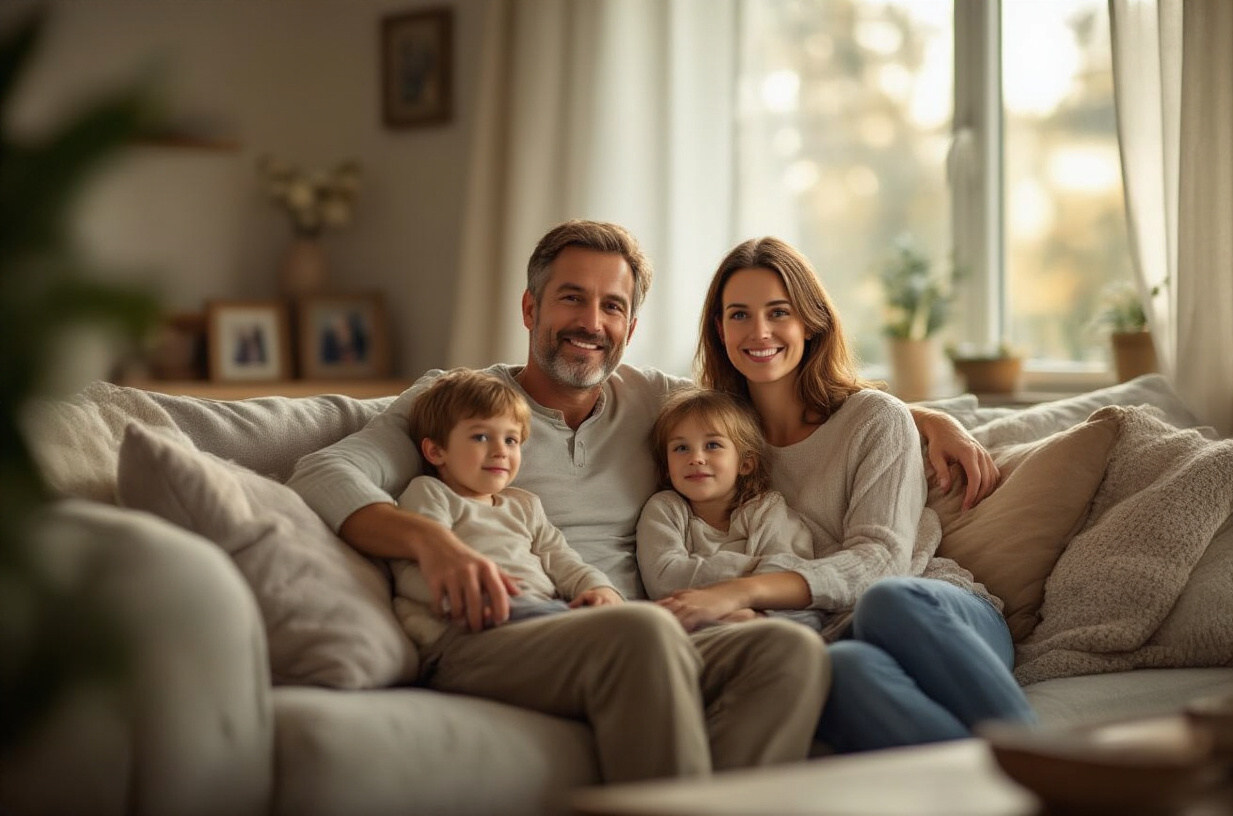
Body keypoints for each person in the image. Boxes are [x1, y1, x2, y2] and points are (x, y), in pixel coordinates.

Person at [287, 220, 995, 779]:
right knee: (644, 631)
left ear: (629, 325)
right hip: (507, 628)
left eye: (612, 305)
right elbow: (323, 473)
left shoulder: (656, 402)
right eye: (571, 297)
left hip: (643, 632)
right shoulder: (460, 403)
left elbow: (776, 395)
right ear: (531, 306)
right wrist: (430, 542)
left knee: (788, 652)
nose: (590, 321)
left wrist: (921, 415)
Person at [655, 236, 1035, 754]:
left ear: (810, 322)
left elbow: (882, 560)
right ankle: (1014, 788)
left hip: (932, 613)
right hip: (835, 634)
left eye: (778, 312)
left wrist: (742, 591)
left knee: (886, 600)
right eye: (739, 315)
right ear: (720, 331)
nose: (759, 331)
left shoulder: (875, 419)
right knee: (838, 669)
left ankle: (1060, 769)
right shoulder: (715, 442)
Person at [393, 368, 622, 669]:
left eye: (511, 440)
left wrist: (598, 589)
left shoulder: (524, 504)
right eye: (481, 436)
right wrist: (465, 599)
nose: (501, 451)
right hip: (472, 626)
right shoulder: (430, 493)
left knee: (632, 628)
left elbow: (562, 559)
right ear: (436, 451)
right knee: (625, 637)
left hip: (540, 611)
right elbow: (409, 570)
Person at [636, 387, 825, 631]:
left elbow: (788, 576)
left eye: (712, 445)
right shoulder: (664, 509)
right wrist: (754, 567)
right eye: (681, 448)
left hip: (766, 618)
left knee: (804, 623)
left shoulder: (766, 509)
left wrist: (745, 602)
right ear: (666, 467)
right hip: (689, 625)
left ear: (745, 463)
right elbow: (664, 579)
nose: (696, 458)